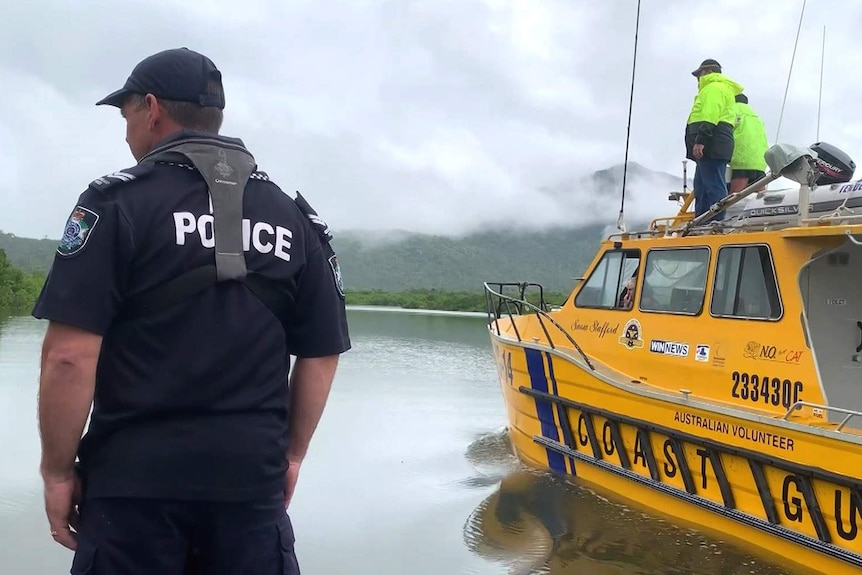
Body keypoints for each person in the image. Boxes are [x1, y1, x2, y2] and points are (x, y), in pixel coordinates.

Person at [31, 47, 351, 574]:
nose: (126, 130)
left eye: (126, 113)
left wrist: (58, 473)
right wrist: (291, 456)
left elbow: (68, 357)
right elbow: (321, 354)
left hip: (132, 493)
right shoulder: (294, 219)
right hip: (250, 488)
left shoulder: (115, 204)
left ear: (152, 109)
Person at [684, 59, 744, 220]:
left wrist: (700, 141)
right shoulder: (719, 88)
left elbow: (710, 115)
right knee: (702, 187)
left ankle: (715, 221)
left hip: (711, 144)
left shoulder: (713, 87)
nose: (698, 79)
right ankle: (702, 222)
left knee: (713, 186)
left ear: (707, 72)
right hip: (713, 144)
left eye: (699, 74)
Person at [728, 93, 769, 194]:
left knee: (734, 199)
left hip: (742, 161)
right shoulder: (756, 117)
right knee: (759, 199)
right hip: (760, 163)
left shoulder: (732, 111)